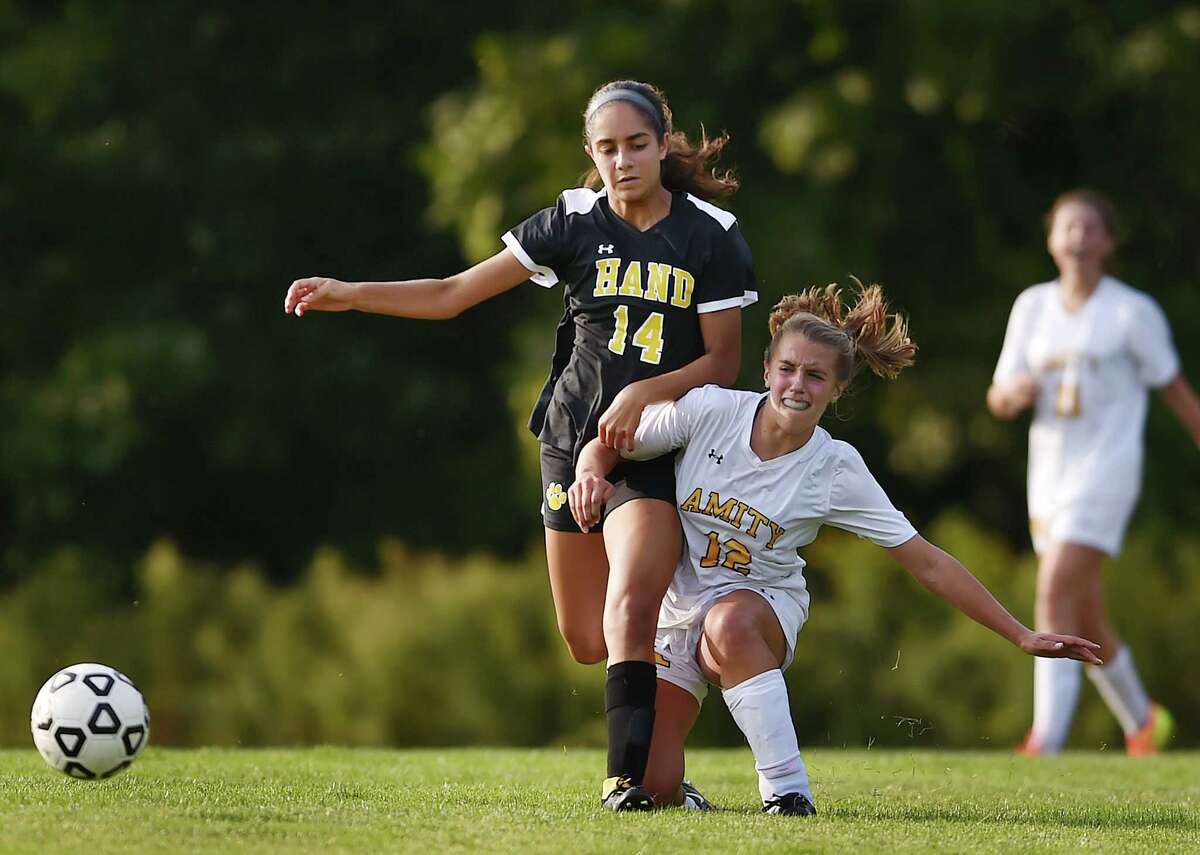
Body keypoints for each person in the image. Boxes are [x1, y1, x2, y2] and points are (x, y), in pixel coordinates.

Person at [283, 80, 757, 809]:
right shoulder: (572, 222)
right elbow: (452, 294)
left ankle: (627, 780)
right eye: (607, 148)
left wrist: (643, 397)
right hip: (570, 441)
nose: (623, 161)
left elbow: (723, 363)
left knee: (631, 605)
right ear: (590, 154)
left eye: (637, 144)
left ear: (663, 144)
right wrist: (349, 292)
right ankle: (663, 694)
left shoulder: (711, 235)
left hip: (657, 445)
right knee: (588, 639)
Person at [568, 283, 1102, 813]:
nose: (797, 385)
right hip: (677, 613)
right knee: (654, 785)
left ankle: (787, 792)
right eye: (788, 369)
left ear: (838, 389)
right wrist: (588, 474)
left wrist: (1021, 634)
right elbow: (608, 445)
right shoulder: (710, 410)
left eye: (816, 375)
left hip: (758, 611)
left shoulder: (834, 467)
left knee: (730, 623)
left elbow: (928, 562)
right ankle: (684, 796)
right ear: (766, 370)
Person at [987, 189, 1200, 756]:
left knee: (1054, 588)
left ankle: (1046, 740)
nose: (1077, 238)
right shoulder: (1032, 306)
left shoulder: (1132, 312)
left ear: (1107, 241)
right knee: (1085, 612)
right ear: (1051, 239)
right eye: (1067, 227)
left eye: (1089, 228)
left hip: (1107, 472)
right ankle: (1143, 721)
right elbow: (998, 397)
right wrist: (1013, 395)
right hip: (1049, 477)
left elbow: (1176, 392)